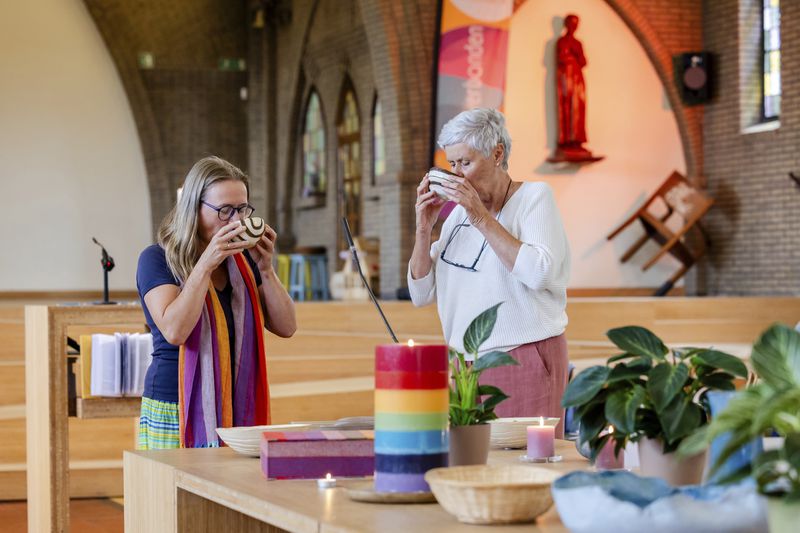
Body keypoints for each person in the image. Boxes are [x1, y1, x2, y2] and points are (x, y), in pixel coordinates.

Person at [408, 108, 571, 437]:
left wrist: (481, 217)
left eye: (465, 163)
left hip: (521, 355)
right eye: (452, 165)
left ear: (497, 153)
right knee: (472, 463)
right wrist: (424, 229)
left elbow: (540, 273)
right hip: (463, 363)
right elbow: (420, 294)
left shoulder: (534, 199)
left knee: (522, 462)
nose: (458, 176)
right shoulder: (455, 218)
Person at [136, 156, 296, 449]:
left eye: (242, 209)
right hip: (176, 404)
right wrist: (205, 265)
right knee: (173, 496)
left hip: (235, 403)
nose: (236, 221)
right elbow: (175, 331)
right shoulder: (156, 259)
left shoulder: (244, 260)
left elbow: (286, 327)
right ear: (193, 210)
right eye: (224, 210)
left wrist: (265, 269)